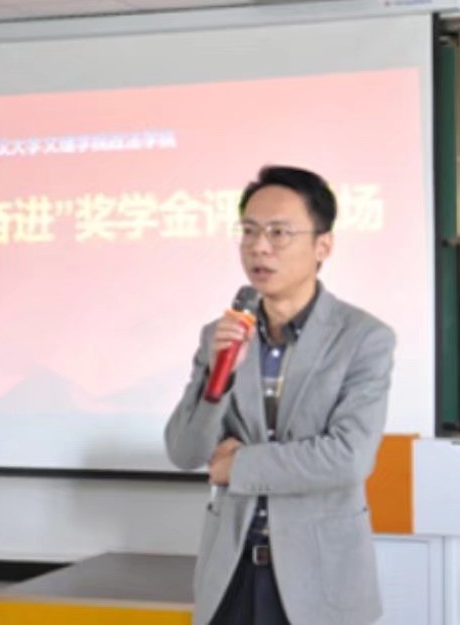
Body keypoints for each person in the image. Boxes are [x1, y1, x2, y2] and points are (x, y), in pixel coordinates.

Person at [165, 165, 395, 625]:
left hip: (318, 580)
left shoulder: (363, 338)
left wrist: (238, 466)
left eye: (278, 233)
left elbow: (347, 458)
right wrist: (218, 380)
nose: (259, 247)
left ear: (322, 246)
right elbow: (186, 452)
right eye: (249, 231)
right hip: (229, 573)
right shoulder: (222, 335)